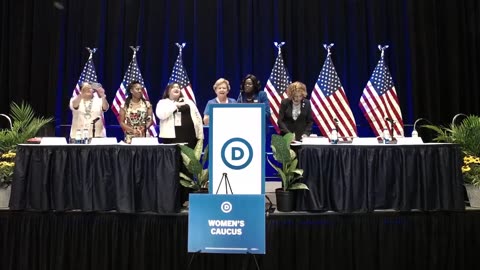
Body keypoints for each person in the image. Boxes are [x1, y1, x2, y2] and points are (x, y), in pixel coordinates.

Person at [155, 82, 203, 149]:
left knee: (189, 159)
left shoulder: (188, 102)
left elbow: (198, 118)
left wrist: (200, 135)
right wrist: (175, 105)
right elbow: (161, 115)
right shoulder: (163, 102)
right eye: (173, 87)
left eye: (178, 87)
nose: (176, 88)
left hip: (190, 137)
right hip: (171, 139)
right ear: (168, 92)